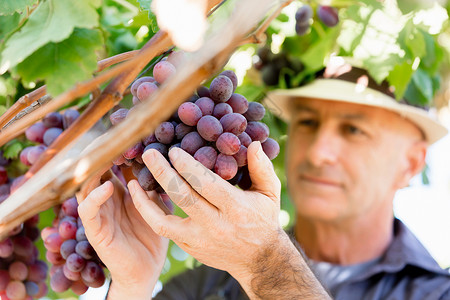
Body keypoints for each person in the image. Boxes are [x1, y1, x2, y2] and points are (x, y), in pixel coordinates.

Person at [77, 61, 450, 300]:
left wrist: (267, 263)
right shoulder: (203, 289)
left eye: (354, 130)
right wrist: (133, 286)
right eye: (307, 123)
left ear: (411, 163)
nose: (318, 152)